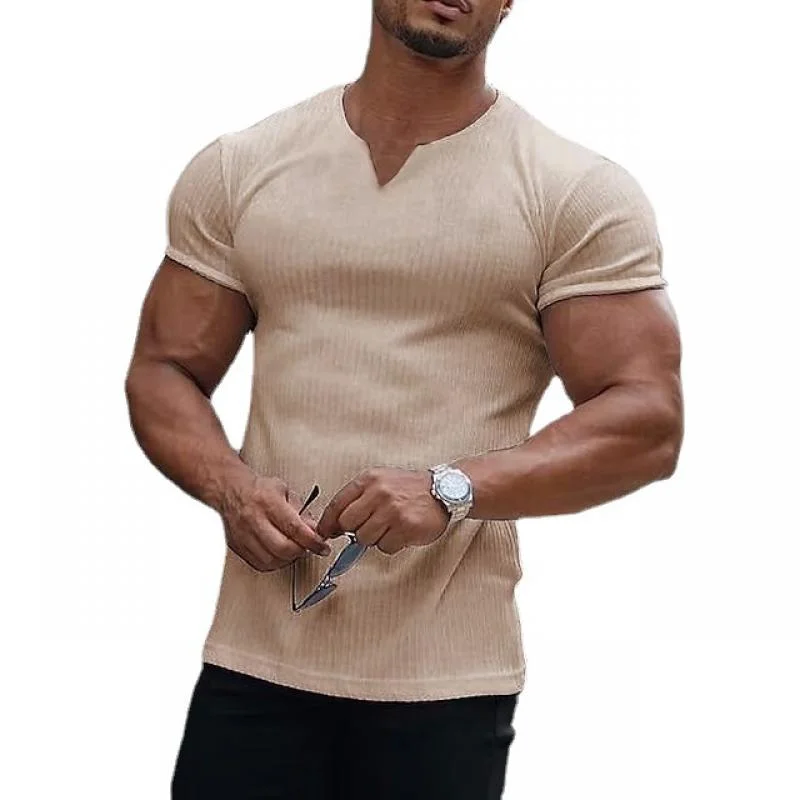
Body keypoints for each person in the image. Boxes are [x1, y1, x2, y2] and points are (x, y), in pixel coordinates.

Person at [125, 0, 684, 796]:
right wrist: (232, 487)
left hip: (444, 687)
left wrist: (453, 488)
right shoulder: (242, 166)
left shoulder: (574, 191)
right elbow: (163, 370)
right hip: (254, 666)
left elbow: (647, 422)